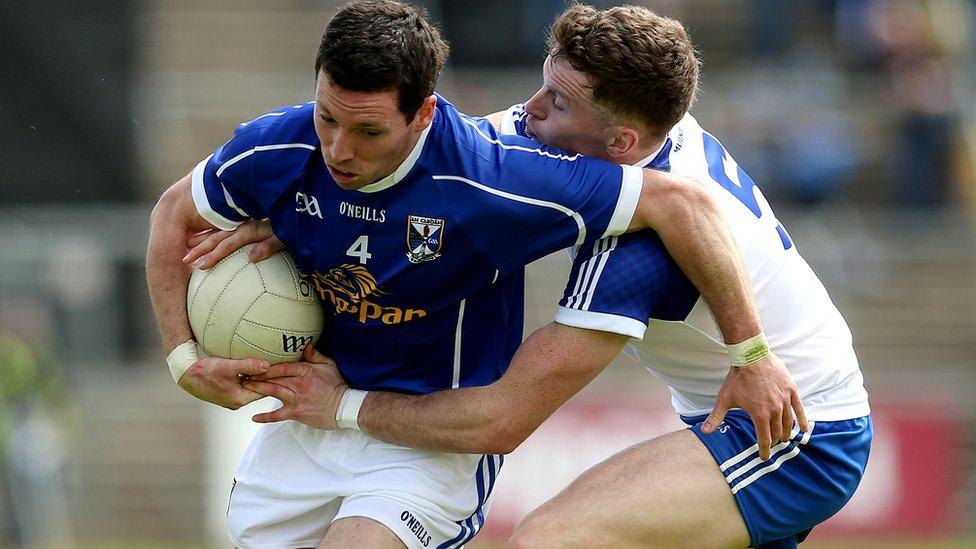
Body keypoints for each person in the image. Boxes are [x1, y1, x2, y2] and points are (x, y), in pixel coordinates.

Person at [194, 4, 872, 548]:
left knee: (548, 539)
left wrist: (340, 405)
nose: (532, 109)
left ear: (622, 146)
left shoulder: (639, 250)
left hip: (797, 430)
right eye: (544, 83)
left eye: (557, 102)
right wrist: (321, 212)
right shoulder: (640, 125)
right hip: (719, 410)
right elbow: (457, 159)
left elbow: (501, 418)